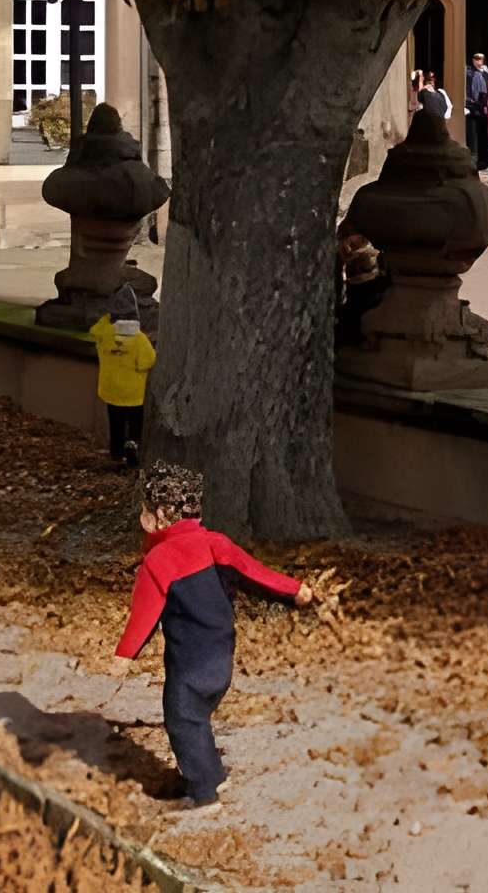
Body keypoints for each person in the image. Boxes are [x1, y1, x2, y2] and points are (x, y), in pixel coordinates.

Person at [114, 462, 312, 807]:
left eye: (145, 511)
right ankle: (211, 775)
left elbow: (144, 615)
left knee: (182, 720)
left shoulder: (159, 560)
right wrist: (294, 590)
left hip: (189, 665)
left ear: (159, 516)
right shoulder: (216, 543)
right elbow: (255, 573)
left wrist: (123, 655)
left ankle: (206, 793)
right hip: (221, 658)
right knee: (197, 717)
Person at [92, 302, 158, 469]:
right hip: (133, 393)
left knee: (116, 423)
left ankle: (116, 452)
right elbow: (148, 361)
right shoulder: (139, 339)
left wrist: (108, 317)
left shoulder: (105, 335)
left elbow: (95, 330)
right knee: (134, 423)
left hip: (111, 391)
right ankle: (132, 445)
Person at [465, 55, 488, 165]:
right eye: (477, 59)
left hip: (484, 108)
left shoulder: (485, 73)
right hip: (473, 107)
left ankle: (483, 159)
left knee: (483, 134)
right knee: (474, 134)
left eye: (481, 59)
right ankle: (475, 158)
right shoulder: (469, 72)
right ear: (473, 60)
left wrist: (487, 72)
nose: (479, 62)